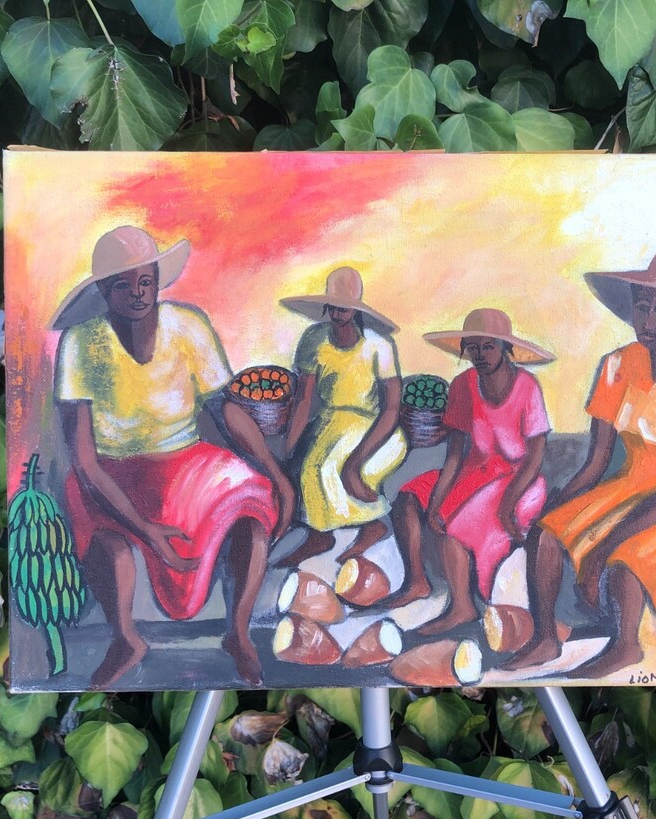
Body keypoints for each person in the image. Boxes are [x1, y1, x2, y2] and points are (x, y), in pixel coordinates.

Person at [52, 225, 296, 688]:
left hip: (185, 461)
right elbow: (84, 460)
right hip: (109, 471)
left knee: (250, 506)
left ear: (158, 282)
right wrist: (144, 528)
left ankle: (238, 633)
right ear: (104, 291)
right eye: (123, 285)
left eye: (146, 281)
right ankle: (126, 639)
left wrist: (275, 472)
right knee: (106, 539)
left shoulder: (187, 325)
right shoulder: (82, 343)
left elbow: (225, 408)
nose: (137, 293)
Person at [507, 246, 656, 677]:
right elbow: (597, 461)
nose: (648, 319)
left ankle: (625, 646)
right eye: (642, 306)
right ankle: (545, 639)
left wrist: (609, 541)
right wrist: (555, 510)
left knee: (630, 551)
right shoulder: (615, 365)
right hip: (633, 480)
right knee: (547, 533)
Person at [387, 309, 553, 636]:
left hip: (519, 479)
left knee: (455, 528)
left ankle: (462, 607)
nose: (479, 355)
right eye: (472, 347)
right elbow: (454, 455)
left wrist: (508, 504)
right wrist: (435, 501)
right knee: (407, 497)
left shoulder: (526, 386)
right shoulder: (463, 385)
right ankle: (416, 582)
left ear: (506, 349)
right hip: (474, 472)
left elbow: (535, 456)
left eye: (488, 346)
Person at [274, 266, 408, 568]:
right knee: (311, 467)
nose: (337, 313)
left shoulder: (378, 345)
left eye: (344, 308)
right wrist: (289, 448)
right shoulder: (315, 339)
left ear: (356, 309)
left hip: (375, 427)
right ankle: (319, 536)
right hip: (331, 422)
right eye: (332, 307)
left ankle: (373, 525)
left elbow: (391, 409)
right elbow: (304, 399)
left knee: (336, 468)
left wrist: (355, 461)